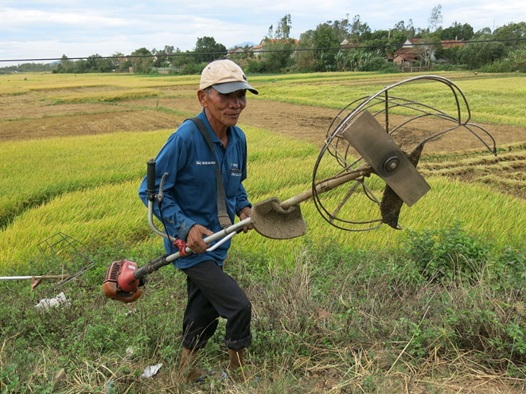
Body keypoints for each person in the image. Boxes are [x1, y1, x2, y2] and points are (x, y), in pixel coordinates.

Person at [138, 59, 257, 383]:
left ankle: (185, 371)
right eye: (226, 96)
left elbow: (234, 182)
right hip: (190, 248)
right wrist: (185, 226)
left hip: (219, 242)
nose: (236, 104)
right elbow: (150, 190)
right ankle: (239, 376)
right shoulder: (186, 137)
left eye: (241, 96)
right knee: (237, 306)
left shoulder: (239, 139)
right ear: (203, 97)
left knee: (202, 307)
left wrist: (244, 208)